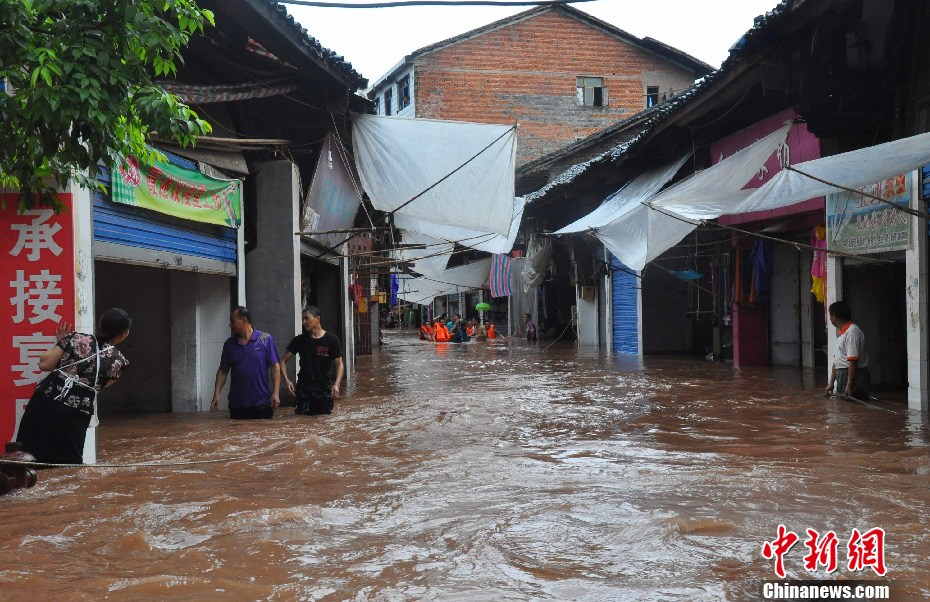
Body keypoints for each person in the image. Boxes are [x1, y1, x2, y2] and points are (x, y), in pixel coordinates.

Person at [16, 308, 132, 464]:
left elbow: (44, 363)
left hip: (46, 399)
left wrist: (64, 344)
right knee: (67, 465)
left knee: (26, 455)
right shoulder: (119, 362)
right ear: (123, 335)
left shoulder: (76, 339)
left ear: (100, 324)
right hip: (76, 413)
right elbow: (99, 385)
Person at [211, 306, 281, 419]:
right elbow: (223, 371)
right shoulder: (229, 345)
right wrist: (217, 394)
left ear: (244, 321)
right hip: (237, 405)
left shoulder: (265, 339)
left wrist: (276, 393)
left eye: (233, 321)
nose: (231, 325)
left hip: (262, 404)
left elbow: (275, 367)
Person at [279, 306, 344, 416]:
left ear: (317, 319)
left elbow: (339, 364)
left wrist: (337, 384)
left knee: (324, 421)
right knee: (302, 421)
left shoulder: (332, 340)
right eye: (302, 319)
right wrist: (286, 380)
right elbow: (283, 361)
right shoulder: (299, 340)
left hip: (323, 390)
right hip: (304, 390)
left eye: (306, 318)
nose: (304, 322)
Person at [824, 300, 870, 400]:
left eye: (830, 316)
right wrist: (831, 383)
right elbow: (837, 361)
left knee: (853, 408)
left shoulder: (852, 332)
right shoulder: (841, 334)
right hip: (844, 375)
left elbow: (852, 361)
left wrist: (849, 385)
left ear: (835, 317)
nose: (830, 319)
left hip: (854, 376)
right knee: (845, 408)